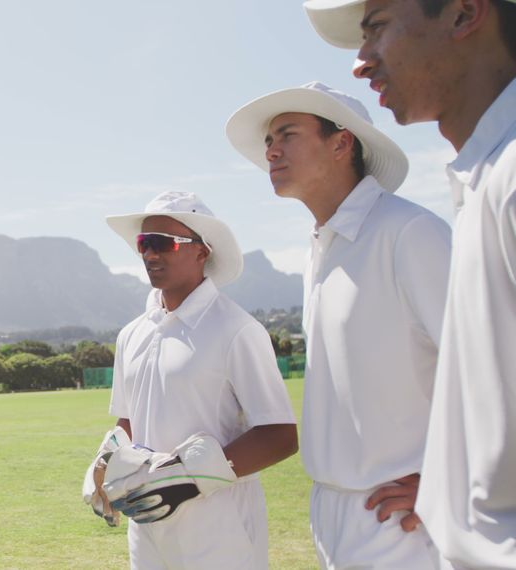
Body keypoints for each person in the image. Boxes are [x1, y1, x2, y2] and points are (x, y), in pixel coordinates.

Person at [304, 1, 516, 565]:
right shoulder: (481, 181)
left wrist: (438, 483)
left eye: (377, 28)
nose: (360, 62)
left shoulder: (431, 220)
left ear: (465, 13)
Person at [226, 81, 452, 569]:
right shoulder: (322, 248)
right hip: (333, 514)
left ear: (341, 143)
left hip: (402, 522)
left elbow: (498, 368)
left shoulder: (409, 233)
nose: (272, 150)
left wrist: (446, 482)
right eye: (268, 141)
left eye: (286, 133)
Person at [88, 191, 298, 569]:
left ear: (203, 252)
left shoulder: (237, 330)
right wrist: (105, 459)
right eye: (143, 243)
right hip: (148, 527)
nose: (150, 254)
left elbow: (280, 434)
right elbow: (130, 420)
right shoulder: (131, 335)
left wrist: (187, 478)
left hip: (219, 531)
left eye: (163, 243)